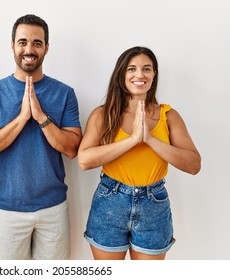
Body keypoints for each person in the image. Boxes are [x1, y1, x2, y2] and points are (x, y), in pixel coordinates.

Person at [0, 14, 82, 260]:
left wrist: (41, 116)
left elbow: (72, 148)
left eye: (37, 42)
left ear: (46, 48)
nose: (29, 49)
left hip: (53, 208)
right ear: (12, 45)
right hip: (7, 209)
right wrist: (22, 118)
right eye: (22, 42)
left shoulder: (64, 93)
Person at [77, 46, 201, 260]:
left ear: (154, 75)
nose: (139, 75)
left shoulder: (168, 116)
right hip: (110, 201)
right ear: (122, 74)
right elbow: (84, 160)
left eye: (147, 69)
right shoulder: (102, 115)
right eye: (132, 69)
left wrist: (150, 139)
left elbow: (193, 165)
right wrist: (132, 139)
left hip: (154, 204)